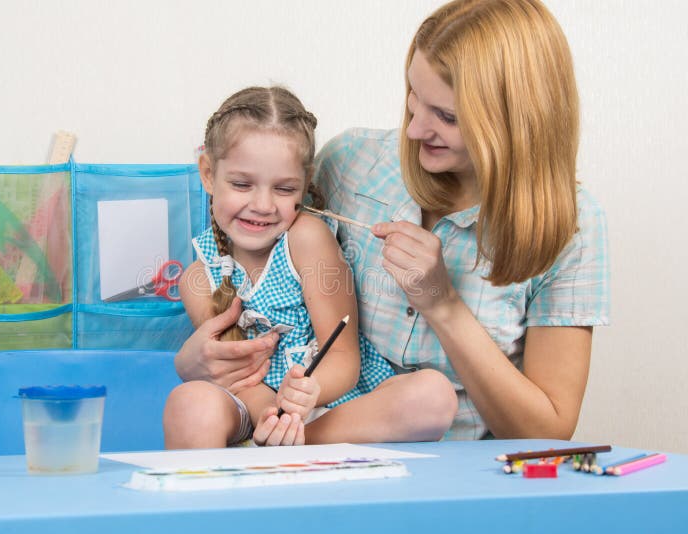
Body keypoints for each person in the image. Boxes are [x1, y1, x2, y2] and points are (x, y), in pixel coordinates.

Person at [173, 0, 609, 442]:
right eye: (413, 99)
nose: (415, 130)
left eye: (447, 117)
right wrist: (197, 362)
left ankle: (286, 449)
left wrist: (443, 305)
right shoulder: (349, 164)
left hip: (444, 459)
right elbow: (244, 250)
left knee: (427, 396)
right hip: (301, 424)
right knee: (194, 406)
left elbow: (549, 432)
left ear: (516, 122)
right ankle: (282, 450)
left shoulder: (571, 227)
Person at [163, 86, 457, 448]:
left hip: (331, 408)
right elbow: (234, 379)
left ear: (305, 184)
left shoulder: (306, 239)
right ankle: (250, 472)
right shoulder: (198, 279)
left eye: (285, 189)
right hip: (255, 417)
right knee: (190, 403)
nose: (262, 205)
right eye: (241, 184)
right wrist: (272, 415)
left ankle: (302, 445)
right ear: (208, 173)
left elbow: (344, 358)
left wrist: (307, 396)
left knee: (434, 395)